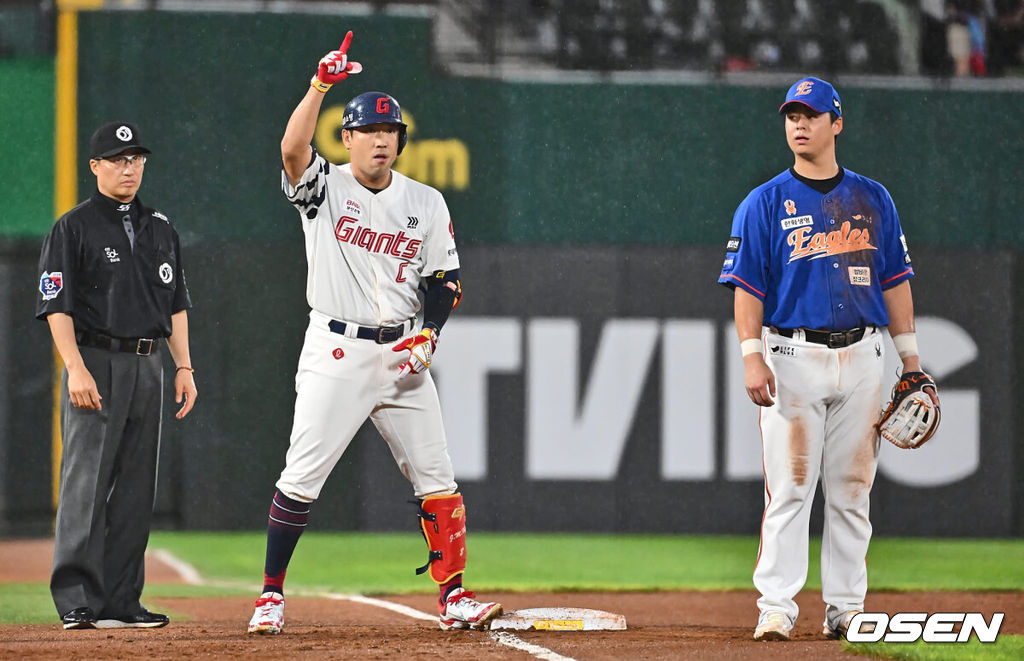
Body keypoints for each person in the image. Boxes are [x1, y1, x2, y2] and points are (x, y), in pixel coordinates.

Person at [246, 31, 501, 635]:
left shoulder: (427, 202)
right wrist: (319, 86)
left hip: (405, 353)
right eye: (369, 130)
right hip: (337, 349)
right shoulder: (324, 187)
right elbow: (290, 150)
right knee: (301, 476)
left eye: (391, 131)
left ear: (400, 141)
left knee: (437, 477)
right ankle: (271, 594)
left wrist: (430, 334)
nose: (381, 138)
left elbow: (444, 280)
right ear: (349, 138)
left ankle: (454, 597)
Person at [718, 77, 939, 642]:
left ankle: (846, 608)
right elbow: (747, 287)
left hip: (864, 354)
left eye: (811, 115)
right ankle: (777, 607)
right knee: (790, 488)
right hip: (791, 353)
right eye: (792, 115)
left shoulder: (873, 198)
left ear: (836, 123)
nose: (799, 124)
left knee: (851, 489)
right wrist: (751, 357)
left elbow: (895, 281)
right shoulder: (764, 202)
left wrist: (909, 360)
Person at [37, 121, 197, 629]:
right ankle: (76, 598)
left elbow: (176, 305)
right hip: (96, 361)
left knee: (134, 488)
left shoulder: (161, 227)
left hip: (149, 362)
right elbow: (56, 305)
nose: (129, 168)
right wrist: (76, 368)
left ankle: (123, 600)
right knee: (86, 483)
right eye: (118, 159)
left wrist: (184, 366)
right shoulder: (73, 226)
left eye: (136, 160)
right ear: (96, 166)